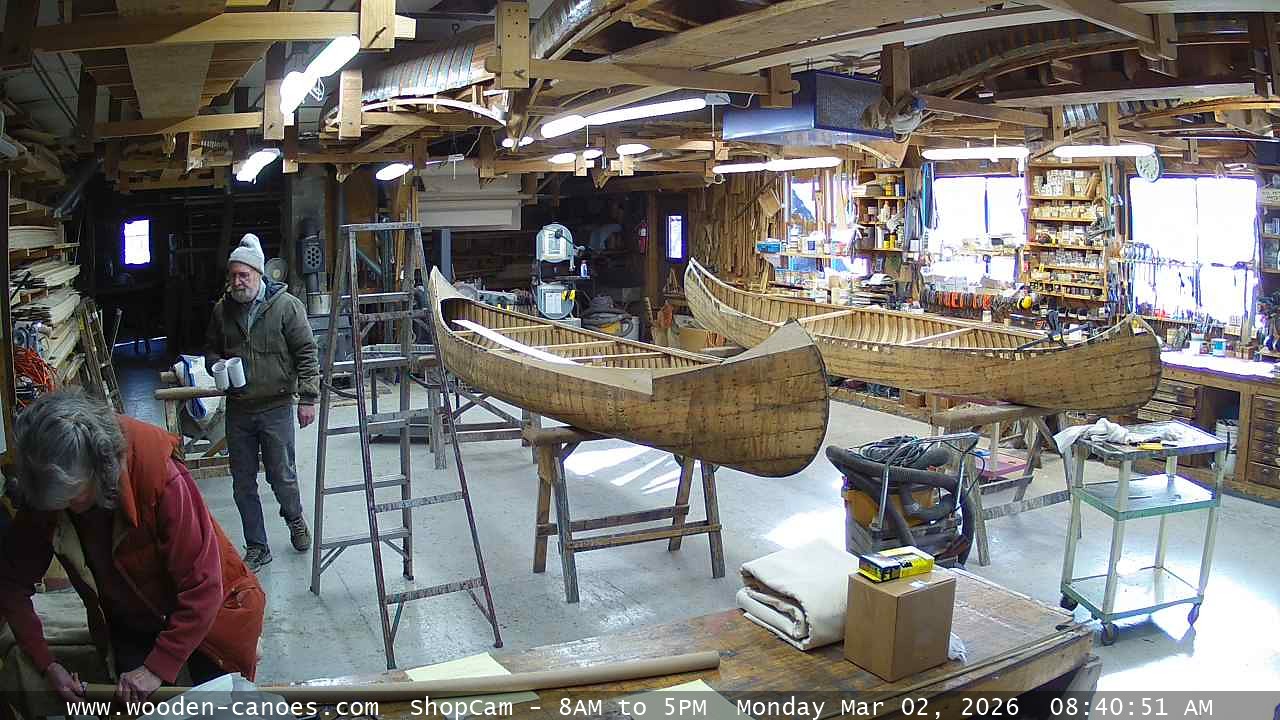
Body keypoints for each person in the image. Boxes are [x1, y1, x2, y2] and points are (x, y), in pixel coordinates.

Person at [0, 391, 266, 703]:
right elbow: (11, 582)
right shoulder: (46, 479)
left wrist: (156, 668)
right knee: (138, 706)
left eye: (74, 497)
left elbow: (203, 586)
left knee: (216, 705)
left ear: (100, 469)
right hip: (132, 617)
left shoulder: (156, 472)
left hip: (215, 614)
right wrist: (47, 664)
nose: (65, 509)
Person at [206, 233, 319, 570]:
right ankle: (257, 546)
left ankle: (295, 519)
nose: (237, 282)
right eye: (233, 275)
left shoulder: (286, 307)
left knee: (281, 475)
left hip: (276, 406)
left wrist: (308, 397)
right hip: (239, 408)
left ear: (258, 274)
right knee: (242, 483)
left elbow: (306, 352)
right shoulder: (222, 311)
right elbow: (211, 349)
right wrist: (216, 365)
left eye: (244, 275)